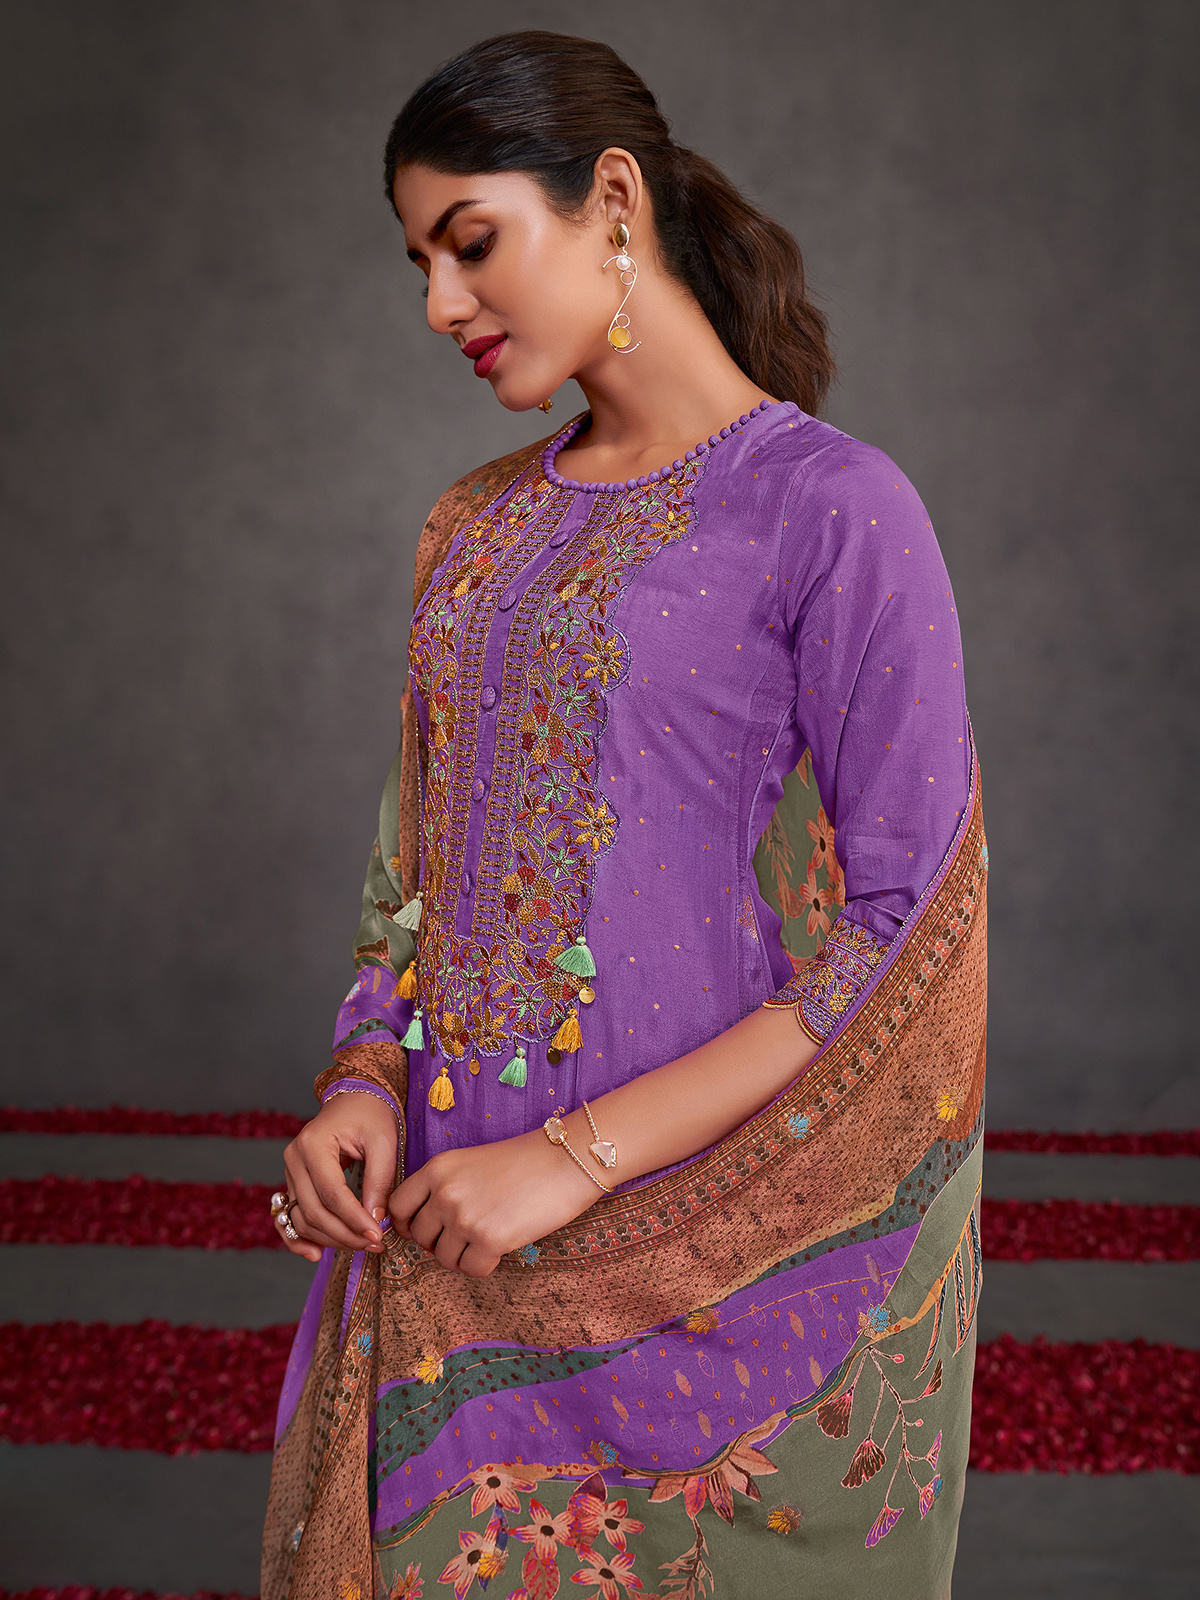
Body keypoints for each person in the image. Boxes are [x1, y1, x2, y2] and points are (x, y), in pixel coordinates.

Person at [261, 29, 986, 1600]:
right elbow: (413, 872)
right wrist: (362, 1085)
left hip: (697, 1259)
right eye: (418, 261)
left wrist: (574, 1161)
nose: (439, 304)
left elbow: (902, 933)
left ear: (610, 199)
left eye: (470, 243)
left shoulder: (832, 509)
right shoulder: (472, 527)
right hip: (442, 1249)